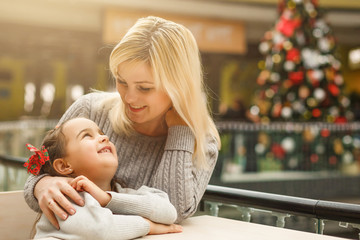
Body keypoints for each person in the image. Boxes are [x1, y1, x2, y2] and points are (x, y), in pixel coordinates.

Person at [24, 16, 221, 229]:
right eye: (121, 82)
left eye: (145, 88)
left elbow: (173, 211)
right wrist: (42, 184)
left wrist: (180, 130)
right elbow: (37, 173)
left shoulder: (202, 141)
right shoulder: (90, 111)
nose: (129, 98)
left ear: (180, 87)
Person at [27, 117, 182, 239]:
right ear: (64, 166)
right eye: (87, 135)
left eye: (101, 133)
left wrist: (108, 199)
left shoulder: (122, 193)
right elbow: (100, 230)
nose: (105, 137)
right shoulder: (66, 200)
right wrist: (149, 226)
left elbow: (169, 213)